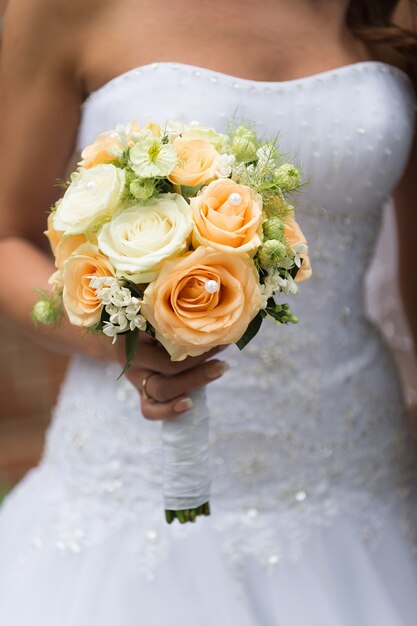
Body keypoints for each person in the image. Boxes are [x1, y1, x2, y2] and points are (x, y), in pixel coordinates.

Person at [0, 0, 416, 624]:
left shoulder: (395, 9)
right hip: (141, 471)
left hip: (358, 463)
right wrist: (119, 341)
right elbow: (7, 239)